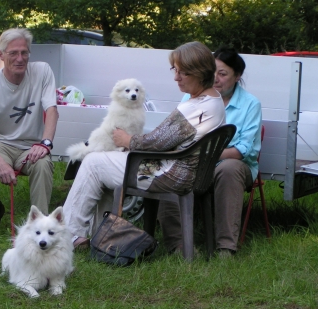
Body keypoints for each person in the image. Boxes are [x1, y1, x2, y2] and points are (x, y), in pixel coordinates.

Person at [62, 41, 226, 249]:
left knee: (93, 161)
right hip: (181, 170)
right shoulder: (214, 100)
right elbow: (167, 138)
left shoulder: (197, 107)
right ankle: (93, 233)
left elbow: (158, 141)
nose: (176, 77)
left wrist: (128, 140)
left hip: (166, 173)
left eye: (182, 73)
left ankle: (68, 234)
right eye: (175, 70)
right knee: (100, 164)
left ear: (200, 73)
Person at [158, 46, 262, 256]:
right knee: (169, 166)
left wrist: (204, 154)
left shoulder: (250, 104)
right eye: (212, 72)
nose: (215, 78)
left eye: (223, 74)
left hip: (232, 165)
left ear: (237, 76)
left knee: (229, 169)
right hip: (196, 162)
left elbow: (243, 150)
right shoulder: (190, 98)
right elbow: (176, 136)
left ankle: (226, 247)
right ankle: (178, 245)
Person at [0, 28, 59, 236]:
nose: (20, 58)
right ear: (1, 55)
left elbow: (52, 110)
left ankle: (41, 224)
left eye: (24, 53)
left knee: (43, 164)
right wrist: (0, 163)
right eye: (13, 53)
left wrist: (45, 143)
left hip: (32, 145)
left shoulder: (42, 71)